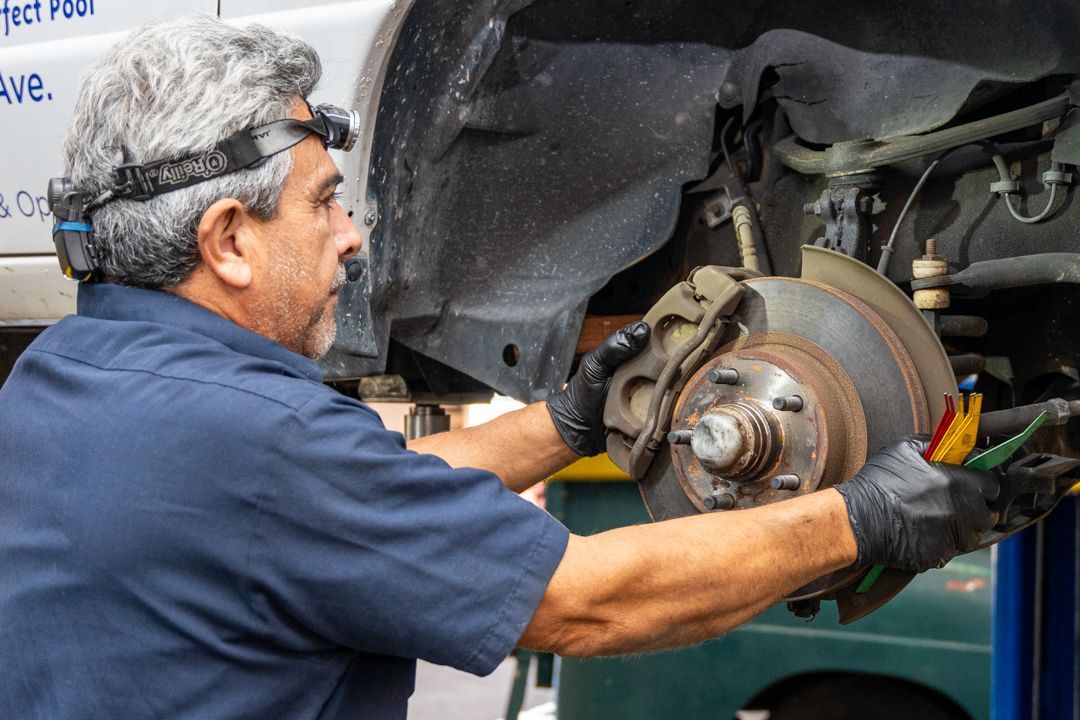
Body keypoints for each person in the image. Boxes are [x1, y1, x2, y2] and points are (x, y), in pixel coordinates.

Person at [0, 15, 998, 720]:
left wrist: (564, 422)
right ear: (228, 240)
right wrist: (856, 518)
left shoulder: (57, 381)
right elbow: (587, 599)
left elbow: (358, 500)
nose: (352, 233)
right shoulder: (264, 440)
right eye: (322, 201)